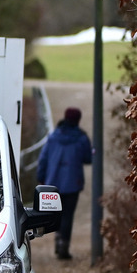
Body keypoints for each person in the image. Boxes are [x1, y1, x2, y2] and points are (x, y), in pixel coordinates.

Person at [37, 106, 93, 260]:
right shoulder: (81, 139)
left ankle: (58, 239)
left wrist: (41, 178)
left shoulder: (54, 136)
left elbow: (43, 159)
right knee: (68, 215)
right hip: (72, 183)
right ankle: (64, 244)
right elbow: (89, 158)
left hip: (53, 183)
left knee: (57, 214)